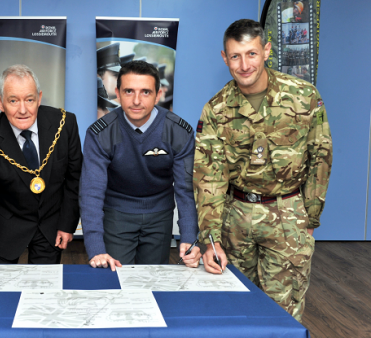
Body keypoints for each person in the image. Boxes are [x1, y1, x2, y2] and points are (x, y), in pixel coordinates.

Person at [194, 19, 332, 322]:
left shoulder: (303, 96)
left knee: (283, 314)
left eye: (251, 54)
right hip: (236, 218)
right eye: (235, 56)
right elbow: (209, 177)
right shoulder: (216, 109)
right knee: (234, 308)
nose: (244, 65)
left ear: (266, 50)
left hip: (288, 215)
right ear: (224, 57)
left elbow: (320, 155)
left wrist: (310, 215)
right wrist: (211, 239)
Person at [81, 60, 200, 271]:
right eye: (129, 91)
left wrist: (189, 239)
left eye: (145, 92)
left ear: (158, 94)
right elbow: (91, 191)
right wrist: (96, 247)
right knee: (116, 279)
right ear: (117, 93)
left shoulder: (179, 131)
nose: (136, 101)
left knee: (154, 281)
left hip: (160, 214)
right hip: (116, 213)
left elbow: (185, 190)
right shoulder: (100, 133)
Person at [0, 64, 82, 270]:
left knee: (44, 293)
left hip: (50, 226)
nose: (23, 110)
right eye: (13, 101)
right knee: (0, 295)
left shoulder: (65, 123)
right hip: (5, 226)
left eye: (29, 99)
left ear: (39, 98)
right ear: (0, 102)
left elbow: (74, 179)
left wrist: (67, 224)